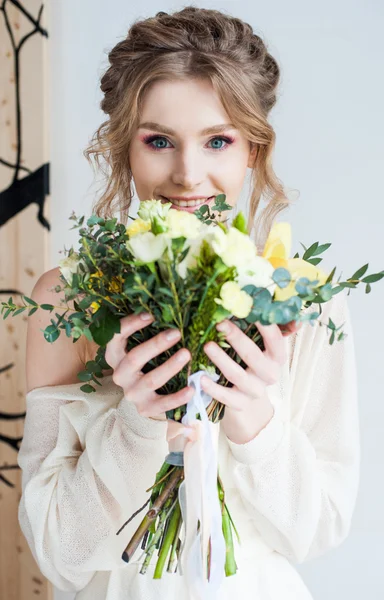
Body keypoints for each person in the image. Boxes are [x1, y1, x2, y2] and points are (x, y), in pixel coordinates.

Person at [18, 6, 360, 600]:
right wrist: (136, 421)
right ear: (126, 146)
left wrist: (253, 415)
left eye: (218, 141)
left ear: (251, 150)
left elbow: (320, 528)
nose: (188, 173)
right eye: (159, 141)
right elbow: (57, 557)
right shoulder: (67, 300)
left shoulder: (304, 299)